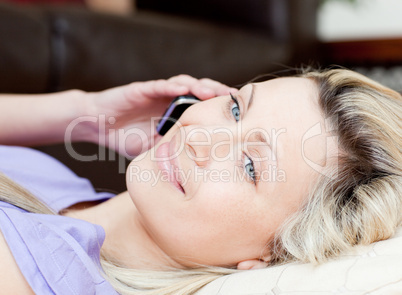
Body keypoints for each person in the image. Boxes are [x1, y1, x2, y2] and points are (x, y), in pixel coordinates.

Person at [0, 69, 400, 295]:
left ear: (270, 255)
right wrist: (84, 113)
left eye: (249, 166)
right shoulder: (61, 184)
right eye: (236, 108)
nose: (198, 137)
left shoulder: (49, 276)